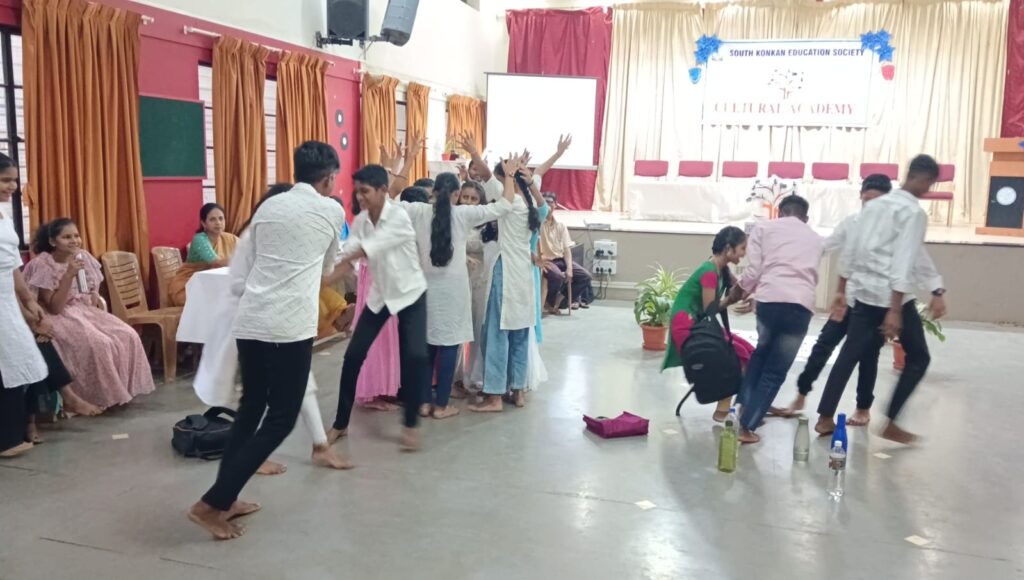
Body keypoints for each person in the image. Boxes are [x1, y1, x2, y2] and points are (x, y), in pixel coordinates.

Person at [188, 141, 346, 541]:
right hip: (288, 327)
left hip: (251, 321)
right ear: (329, 178)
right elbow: (327, 267)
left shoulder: (269, 206)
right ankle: (211, 504)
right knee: (281, 418)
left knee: (251, 408)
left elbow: (248, 261)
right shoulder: (331, 211)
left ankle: (228, 497)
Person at [192, 182, 353, 476]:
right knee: (257, 398)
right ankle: (247, 462)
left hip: (278, 321)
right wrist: (271, 292)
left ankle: (318, 446)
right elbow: (240, 284)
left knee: (298, 382)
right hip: (254, 323)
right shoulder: (254, 235)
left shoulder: (277, 234)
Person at [784, 174, 944, 423]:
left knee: (868, 356)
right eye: (867, 200)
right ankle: (802, 395)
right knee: (824, 345)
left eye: (877, 201)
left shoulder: (898, 226)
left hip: (879, 303)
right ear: (860, 197)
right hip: (850, 301)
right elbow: (825, 247)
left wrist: (935, 290)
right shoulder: (852, 223)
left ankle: (862, 408)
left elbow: (917, 259)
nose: (871, 206)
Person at [390, 169, 514, 418]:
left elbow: (389, 201)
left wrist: (401, 164)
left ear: (434, 193)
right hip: (454, 291)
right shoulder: (464, 214)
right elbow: (504, 206)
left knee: (427, 345)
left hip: (425, 289)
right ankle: (442, 405)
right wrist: (509, 176)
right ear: (457, 194)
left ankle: (424, 403)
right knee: (449, 345)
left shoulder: (419, 210)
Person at [327, 163, 430, 451]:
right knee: (353, 356)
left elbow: (365, 249)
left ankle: (410, 424)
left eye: (365, 191)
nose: (360, 197)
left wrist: (328, 276)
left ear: (383, 191)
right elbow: (348, 256)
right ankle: (340, 424)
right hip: (381, 295)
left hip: (410, 293)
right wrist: (321, 280)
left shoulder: (398, 217)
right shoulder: (361, 221)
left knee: (414, 356)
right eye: (357, 192)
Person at [24, 219, 155, 410]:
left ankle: (124, 391)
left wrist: (94, 314)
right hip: (59, 315)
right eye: (66, 237)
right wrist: (69, 274)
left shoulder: (82, 257)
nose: (74, 241)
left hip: (84, 310)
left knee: (128, 335)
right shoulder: (43, 264)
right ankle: (97, 396)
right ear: (52, 241)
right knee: (100, 344)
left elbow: (90, 293)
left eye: (76, 236)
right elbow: (55, 307)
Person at [726, 195, 823, 444]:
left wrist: (739, 292)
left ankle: (739, 412)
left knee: (760, 356)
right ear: (805, 218)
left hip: (768, 301)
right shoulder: (815, 238)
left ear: (779, 213)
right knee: (775, 370)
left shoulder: (764, 228)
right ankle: (747, 427)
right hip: (800, 306)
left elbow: (754, 271)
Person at [661, 226, 755, 422]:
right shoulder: (709, 272)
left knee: (750, 352)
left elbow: (740, 289)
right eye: (742, 248)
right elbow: (710, 310)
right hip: (687, 328)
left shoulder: (722, 270)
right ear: (728, 249)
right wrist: (730, 300)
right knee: (738, 354)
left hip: (701, 325)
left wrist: (752, 298)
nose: (744, 253)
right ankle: (728, 405)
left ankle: (746, 402)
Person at [469, 154, 538, 412]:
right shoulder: (532, 205)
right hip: (523, 276)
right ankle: (517, 391)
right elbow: (543, 207)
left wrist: (476, 155)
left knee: (497, 334)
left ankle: (495, 395)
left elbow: (491, 182)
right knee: (520, 334)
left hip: (506, 272)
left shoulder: (511, 203)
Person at [0, 151, 49, 458]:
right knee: (7, 363)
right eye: (5, 180)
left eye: (14, 180)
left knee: (16, 361)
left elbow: (12, 265)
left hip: (6, 298)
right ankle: (6, 440)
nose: (12, 187)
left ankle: (14, 433)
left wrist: (28, 300)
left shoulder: (4, 215)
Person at [539, 193, 593, 313]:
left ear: (555, 205)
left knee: (585, 276)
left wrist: (569, 268)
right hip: (546, 261)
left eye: (550, 202)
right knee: (557, 276)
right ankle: (549, 303)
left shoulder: (560, 226)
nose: (547, 205)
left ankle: (560, 301)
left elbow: (566, 249)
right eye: (544, 202)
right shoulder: (538, 223)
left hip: (560, 259)